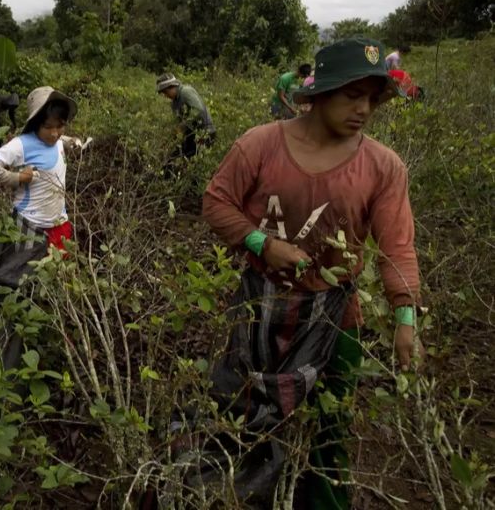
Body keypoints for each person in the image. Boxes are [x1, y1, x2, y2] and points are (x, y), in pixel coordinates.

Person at [202, 38, 425, 508]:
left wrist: (406, 318)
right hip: (259, 309)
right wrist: (263, 242)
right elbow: (216, 202)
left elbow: (396, 246)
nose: (362, 108)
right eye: (350, 94)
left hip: (334, 317)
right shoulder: (259, 145)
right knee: (241, 417)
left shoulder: (383, 167)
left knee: (330, 434)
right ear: (320, 94)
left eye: (371, 97)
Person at [0, 86, 79, 288]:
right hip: (30, 226)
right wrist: (17, 178)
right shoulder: (22, 144)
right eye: (48, 127)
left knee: (51, 276)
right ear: (36, 124)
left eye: (60, 126)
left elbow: (62, 140)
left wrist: (74, 142)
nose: (54, 134)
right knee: (15, 277)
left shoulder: (58, 140)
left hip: (58, 222)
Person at [156, 73, 216, 160]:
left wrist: (182, 126)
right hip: (191, 135)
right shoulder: (174, 103)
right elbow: (178, 124)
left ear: (171, 86)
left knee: (198, 163)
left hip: (204, 133)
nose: (165, 95)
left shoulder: (185, 91)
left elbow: (198, 111)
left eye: (165, 92)